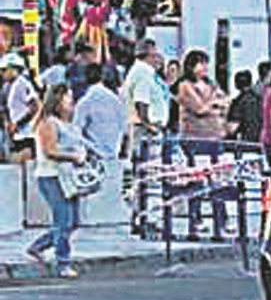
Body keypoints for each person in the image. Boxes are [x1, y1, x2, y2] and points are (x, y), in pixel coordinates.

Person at [24, 85, 89, 278]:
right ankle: (63, 262)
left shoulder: (67, 123)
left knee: (73, 221)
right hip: (51, 176)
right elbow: (50, 151)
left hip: (68, 176)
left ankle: (38, 246)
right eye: (67, 98)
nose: (71, 102)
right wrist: (74, 157)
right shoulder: (48, 123)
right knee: (63, 220)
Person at [72, 63, 129, 223]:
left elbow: (76, 130)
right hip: (114, 153)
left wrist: (83, 150)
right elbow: (125, 128)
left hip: (94, 156)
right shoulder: (115, 100)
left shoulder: (85, 101)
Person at [123, 40, 169, 164]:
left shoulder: (144, 71)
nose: (158, 58)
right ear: (149, 55)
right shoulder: (142, 73)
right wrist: (149, 126)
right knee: (149, 169)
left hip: (145, 127)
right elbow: (141, 102)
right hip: (145, 129)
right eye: (155, 54)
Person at [174, 50, 228, 155]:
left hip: (216, 136)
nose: (205, 67)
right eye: (201, 63)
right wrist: (214, 103)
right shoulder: (185, 85)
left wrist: (214, 105)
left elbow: (225, 103)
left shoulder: (211, 84)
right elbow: (199, 109)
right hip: (195, 137)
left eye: (205, 64)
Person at [3, 53, 39, 164]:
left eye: (5, 70)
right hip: (18, 133)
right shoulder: (9, 87)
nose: (3, 74)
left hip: (26, 133)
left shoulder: (22, 84)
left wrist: (18, 123)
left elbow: (34, 106)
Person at [225, 71, 262, 144]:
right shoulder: (259, 99)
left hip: (245, 143)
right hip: (260, 142)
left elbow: (232, 128)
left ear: (236, 85)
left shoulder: (238, 102)